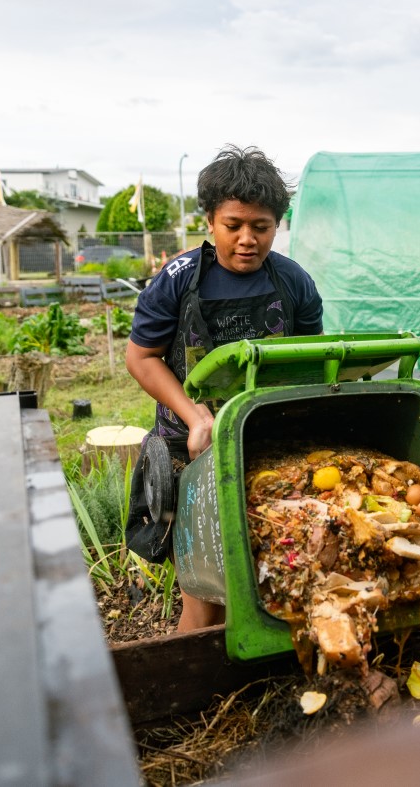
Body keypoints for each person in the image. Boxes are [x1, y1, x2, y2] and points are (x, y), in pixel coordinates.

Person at [125, 145, 323, 632]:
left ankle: (246, 684)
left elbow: (311, 366)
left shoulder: (294, 283)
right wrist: (196, 417)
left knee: (261, 582)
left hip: (265, 447)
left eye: (261, 226)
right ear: (210, 221)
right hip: (188, 448)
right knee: (204, 591)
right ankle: (199, 693)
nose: (247, 239)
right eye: (233, 225)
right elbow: (141, 358)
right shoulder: (176, 281)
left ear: (279, 224)